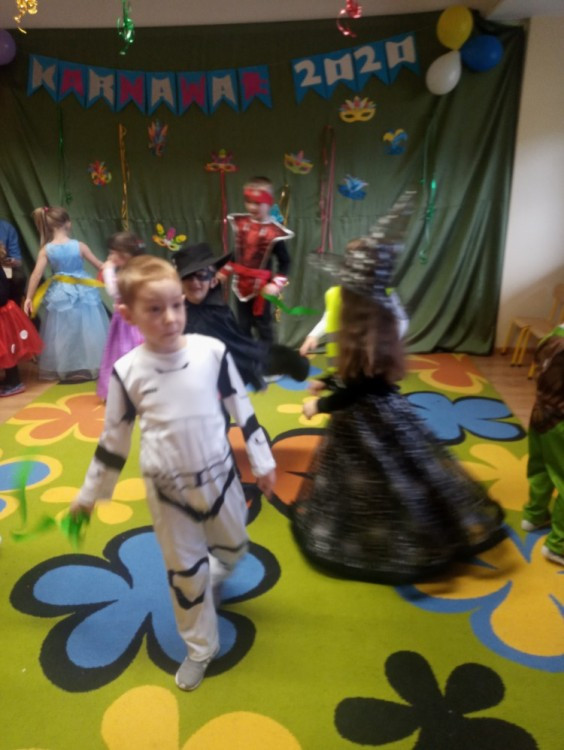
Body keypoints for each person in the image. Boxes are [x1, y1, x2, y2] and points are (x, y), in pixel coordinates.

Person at [70, 255, 276, 691]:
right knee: (185, 576)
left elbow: (242, 409)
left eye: (176, 305)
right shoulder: (127, 371)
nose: (170, 318)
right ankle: (201, 647)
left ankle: (216, 573)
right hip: (167, 492)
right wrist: (89, 494)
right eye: (155, 309)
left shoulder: (211, 352)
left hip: (221, 479)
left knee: (234, 547)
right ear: (127, 314)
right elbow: (114, 440)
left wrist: (263, 462)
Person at [291, 233, 506, 584]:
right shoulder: (364, 320)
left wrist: (321, 403)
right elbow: (355, 373)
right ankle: (368, 518)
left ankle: (396, 533)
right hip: (372, 407)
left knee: (383, 470)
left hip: (367, 415)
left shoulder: (372, 328)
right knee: (372, 472)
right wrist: (327, 380)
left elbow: (360, 387)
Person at [173, 243, 309, 391]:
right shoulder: (176, 310)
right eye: (187, 277)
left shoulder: (216, 314)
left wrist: (287, 361)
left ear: (213, 280)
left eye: (201, 275)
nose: (194, 282)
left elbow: (243, 351)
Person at [24, 206, 109, 382]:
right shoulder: (79, 246)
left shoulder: (46, 250)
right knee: (88, 329)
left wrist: (29, 298)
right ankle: (86, 365)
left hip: (61, 294)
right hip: (83, 291)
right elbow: (99, 265)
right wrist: (113, 265)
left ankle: (69, 367)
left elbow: (36, 275)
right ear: (68, 223)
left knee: (64, 331)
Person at [220, 176, 294, 347]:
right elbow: (238, 253)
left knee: (263, 326)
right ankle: (247, 358)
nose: (252, 207)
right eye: (248, 201)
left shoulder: (274, 232)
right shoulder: (242, 224)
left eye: (258, 203)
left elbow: (285, 262)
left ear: (268, 203)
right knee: (242, 325)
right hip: (241, 286)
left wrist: (275, 284)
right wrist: (224, 271)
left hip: (262, 288)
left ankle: (269, 360)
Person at [521, 323, 564, 566]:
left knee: (541, 467)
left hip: (541, 413)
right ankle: (559, 546)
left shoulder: (554, 334)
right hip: (561, 423)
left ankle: (534, 515)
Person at [96, 231, 145, 401]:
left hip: (132, 320)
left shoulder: (132, 271)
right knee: (119, 353)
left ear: (124, 254)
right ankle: (120, 390)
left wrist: (108, 270)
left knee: (129, 352)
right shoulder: (129, 269)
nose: (110, 257)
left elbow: (115, 292)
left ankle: (134, 390)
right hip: (123, 320)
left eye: (112, 253)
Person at [0, 245, 43, 397]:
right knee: (6, 350)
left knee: (7, 350)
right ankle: (11, 380)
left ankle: (14, 382)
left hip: (3, 316)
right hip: (4, 313)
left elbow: (2, 296)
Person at [0, 218, 27, 305]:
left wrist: (9, 261)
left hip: (4, 266)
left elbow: (17, 259)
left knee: (19, 277)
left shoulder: (7, 228)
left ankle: (14, 307)